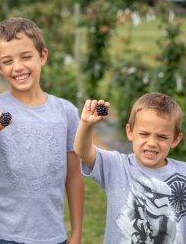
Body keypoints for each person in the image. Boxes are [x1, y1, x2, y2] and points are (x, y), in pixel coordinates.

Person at [0, 17, 84, 244]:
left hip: (52, 237)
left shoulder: (65, 112)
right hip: (2, 235)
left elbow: (74, 177)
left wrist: (76, 234)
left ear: (42, 56)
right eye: (7, 61)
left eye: (26, 57)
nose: (18, 67)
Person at [74, 92, 186, 243]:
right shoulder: (116, 166)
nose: (152, 142)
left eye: (162, 137)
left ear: (175, 139)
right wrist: (86, 125)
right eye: (144, 134)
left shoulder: (183, 172)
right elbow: (82, 151)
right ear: (130, 132)